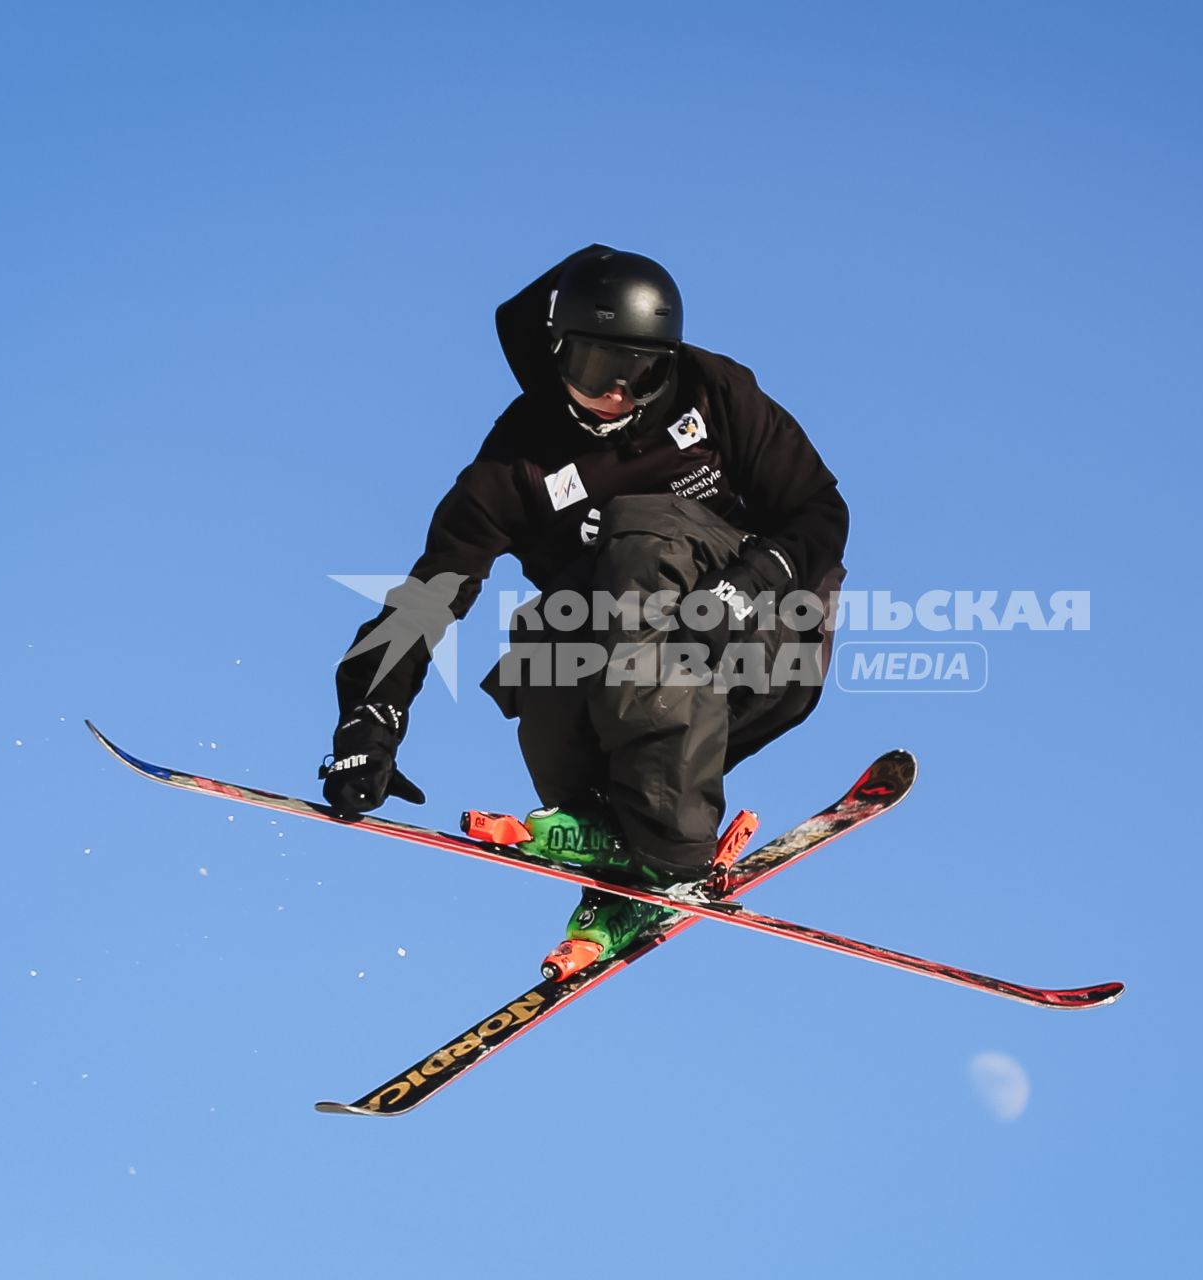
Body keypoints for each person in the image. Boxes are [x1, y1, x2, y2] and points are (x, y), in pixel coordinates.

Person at [321, 245, 848, 962]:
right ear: (558, 354)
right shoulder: (518, 461)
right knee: (543, 637)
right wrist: (371, 714)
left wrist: (745, 585)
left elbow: (818, 510)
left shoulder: (714, 393)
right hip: (650, 678)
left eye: (644, 374)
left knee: (641, 533)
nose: (619, 396)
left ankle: (669, 845)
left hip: (772, 640)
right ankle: (611, 836)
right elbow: (432, 591)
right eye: (598, 371)